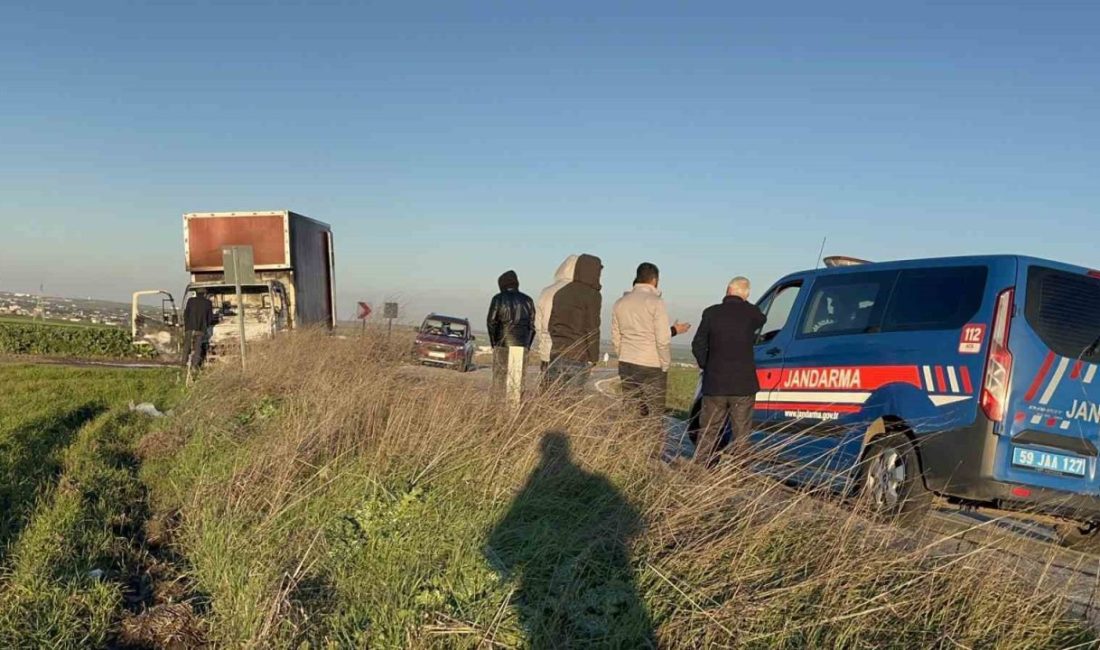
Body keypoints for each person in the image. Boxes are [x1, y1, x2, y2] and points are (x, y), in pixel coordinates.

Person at [691, 277, 766, 465]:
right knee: (741, 434)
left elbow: (697, 344)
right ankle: (739, 474)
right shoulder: (751, 313)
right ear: (746, 295)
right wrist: (744, 302)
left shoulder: (711, 313)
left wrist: (707, 365)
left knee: (708, 430)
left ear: (727, 290)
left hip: (715, 383)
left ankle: (701, 469)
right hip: (743, 385)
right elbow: (762, 318)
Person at [611, 263, 692, 419]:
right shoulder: (656, 302)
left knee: (630, 412)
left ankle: (629, 442)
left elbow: (616, 336)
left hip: (626, 362)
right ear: (655, 280)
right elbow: (662, 339)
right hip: (651, 365)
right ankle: (651, 443)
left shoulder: (620, 302)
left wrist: (623, 354)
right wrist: (665, 363)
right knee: (654, 416)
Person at [546, 254, 602, 391]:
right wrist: (593, 358)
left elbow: (551, 325)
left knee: (553, 400)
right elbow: (592, 328)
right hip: (578, 357)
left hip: (556, 353)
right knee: (571, 403)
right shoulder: (592, 295)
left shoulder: (561, 292)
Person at [487, 270, 536, 398]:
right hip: (522, 346)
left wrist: (494, 343)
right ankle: (514, 409)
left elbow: (491, 322)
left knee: (500, 379)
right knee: (517, 381)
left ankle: (497, 409)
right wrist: (527, 346)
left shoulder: (498, 298)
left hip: (503, 344)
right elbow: (532, 327)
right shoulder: (528, 300)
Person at [535, 254, 578, 386]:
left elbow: (537, 323)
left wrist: (542, 342)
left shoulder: (546, 291)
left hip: (547, 350)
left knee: (546, 388)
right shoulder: (578, 293)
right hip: (569, 352)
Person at [181, 289, 215, 371]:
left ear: (196, 293)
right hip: (200, 329)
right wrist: (206, 325)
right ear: (205, 294)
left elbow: (185, 314)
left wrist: (187, 325)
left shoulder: (190, 301)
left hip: (189, 328)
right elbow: (210, 318)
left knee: (187, 346)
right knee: (197, 348)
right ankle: (194, 366)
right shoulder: (208, 303)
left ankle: (183, 365)